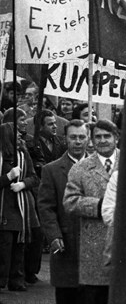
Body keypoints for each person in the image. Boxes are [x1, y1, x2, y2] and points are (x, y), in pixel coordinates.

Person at [63, 119, 119, 304]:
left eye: (107, 136)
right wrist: (100, 205)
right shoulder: (80, 168)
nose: (102, 141)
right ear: (92, 141)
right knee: (95, 297)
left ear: (116, 138)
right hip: (94, 247)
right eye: (98, 137)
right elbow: (70, 201)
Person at [38, 119, 89, 303]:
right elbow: (45, 207)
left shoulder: (101, 168)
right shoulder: (51, 170)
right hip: (66, 246)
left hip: (95, 251)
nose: (77, 141)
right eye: (73, 137)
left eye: (81, 137)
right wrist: (54, 236)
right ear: (65, 139)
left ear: (88, 139)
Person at [0, 122, 40, 292]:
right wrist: (8, 176)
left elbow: (34, 177)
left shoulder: (23, 154)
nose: (19, 135)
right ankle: (2, 279)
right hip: (4, 205)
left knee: (19, 244)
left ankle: (17, 279)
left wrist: (23, 184)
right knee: (5, 244)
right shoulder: (1, 157)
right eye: (15, 132)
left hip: (21, 205)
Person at [27, 109, 67, 177]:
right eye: (50, 124)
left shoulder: (62, 142)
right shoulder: (31, 145)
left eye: (55, 123)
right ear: (40, 127)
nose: (55, 126)